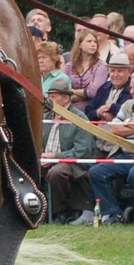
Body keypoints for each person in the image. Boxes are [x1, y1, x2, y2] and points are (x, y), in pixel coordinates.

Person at [87, 70, 134, 224]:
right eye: (131, 88)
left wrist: (127, 123)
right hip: (124, 155)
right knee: (96, 172)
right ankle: (113, 213)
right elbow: (113, 129)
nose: (131, 92)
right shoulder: (127, 104)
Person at [38, 71, 99, 224]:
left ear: (66, 98)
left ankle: (62, 212)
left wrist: (55, 156)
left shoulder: (79, 118)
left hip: (73, 162)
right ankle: (37, 210)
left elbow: (82, 151)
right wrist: (40, 157)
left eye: (53, 97)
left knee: (57, 173)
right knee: (28, 169)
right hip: (47, 159)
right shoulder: (44, 118)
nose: (49, 100)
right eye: (49, 96)